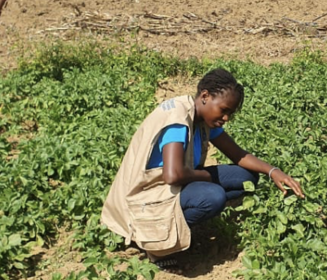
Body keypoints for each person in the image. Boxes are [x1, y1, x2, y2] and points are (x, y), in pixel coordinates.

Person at [101, 69, 305, 269]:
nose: (226, 118)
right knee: (213, 197)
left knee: (246, 178)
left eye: (230, 114)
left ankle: (184, 221)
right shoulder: (177, 121)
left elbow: (238, 155)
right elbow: (173, 175)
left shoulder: (203, 118)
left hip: (174, 185)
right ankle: (154, 244)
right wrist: (207, 176)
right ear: (205, 96)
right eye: (224, 110)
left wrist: (273, 171)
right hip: (147, 194)